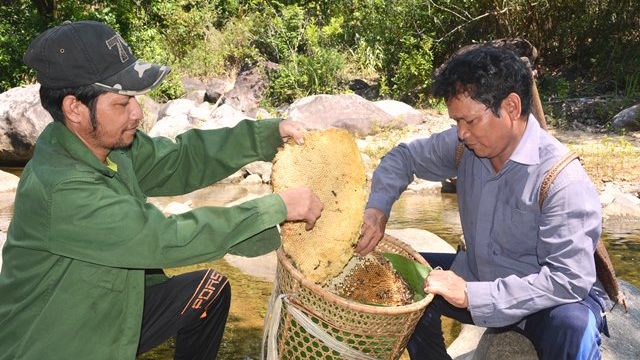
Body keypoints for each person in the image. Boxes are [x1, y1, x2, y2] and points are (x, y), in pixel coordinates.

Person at [0, 20, 323, 360]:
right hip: (56, 341)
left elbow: (182, 160)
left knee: (209, 291)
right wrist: (275, 208)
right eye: (122, 103)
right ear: (75, 108)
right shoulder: (62, 188)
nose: (138, 112)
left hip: (107, 307)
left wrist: (267, 136)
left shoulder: (107, 146)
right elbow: (166, 239)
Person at [356, 46, 609, 359]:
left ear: (512, 107)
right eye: (456, 122)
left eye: (470, 121)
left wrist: (471, 295)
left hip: (544, 303)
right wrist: (378, 209)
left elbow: (567, 280)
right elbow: (403, 157)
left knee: (574, 328)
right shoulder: (467, 147)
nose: (461, 134)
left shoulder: (562, 181)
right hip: (477, 274)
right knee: (395, 274)